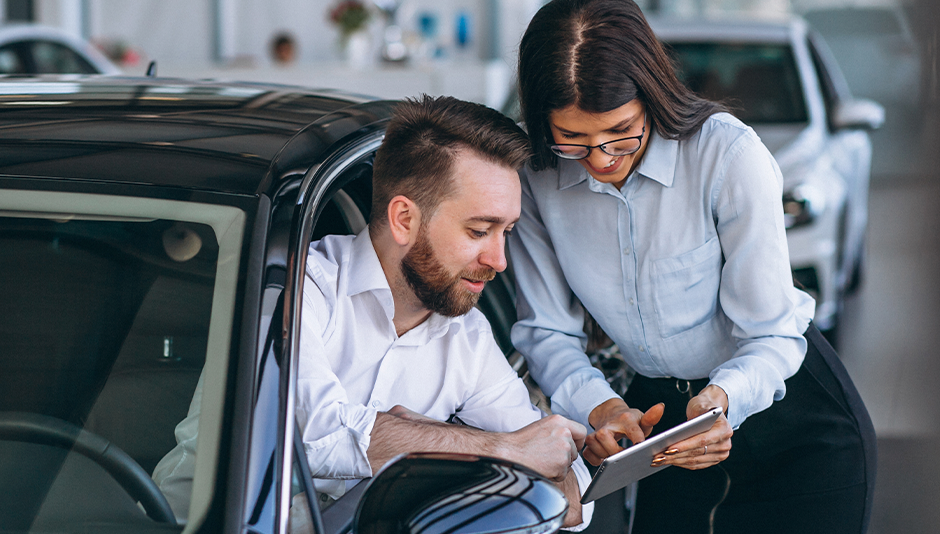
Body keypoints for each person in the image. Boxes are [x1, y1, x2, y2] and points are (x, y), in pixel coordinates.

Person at [508, 1, 877, 533]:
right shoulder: (536, 175)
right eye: (573, 138)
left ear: (651, 96)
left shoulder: (725, 154)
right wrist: (601, 406)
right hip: (660, 429)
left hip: (788, 418)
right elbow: (546, 330)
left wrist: (724, 398)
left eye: (620, 131)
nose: (600, 159)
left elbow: (772, 331)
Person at [153, 95, 593, 530]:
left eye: (507, 231)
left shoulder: (467, 336)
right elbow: (317, 435)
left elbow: (573, 499)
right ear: (404, 219)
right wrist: (505, 450)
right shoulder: (300, 288)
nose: (499, 259)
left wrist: (455, 442)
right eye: (479, 230)